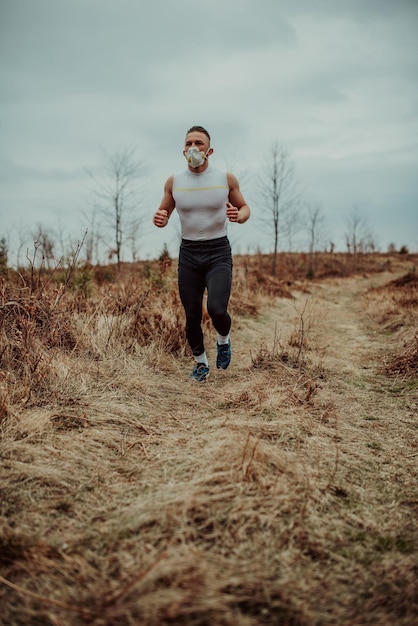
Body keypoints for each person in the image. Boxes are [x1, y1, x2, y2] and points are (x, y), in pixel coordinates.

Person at [153, 125, 250, 381]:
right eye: (189, 143)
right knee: (192, 315)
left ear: (210, 150)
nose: (193, 147)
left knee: (217, 309)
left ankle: (223, 340)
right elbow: (163, 213)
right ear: (183, 150)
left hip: (217, 251)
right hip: (189, 254)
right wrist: (160, 219)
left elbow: (245, 208)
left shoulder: (225, 179)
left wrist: (238, 216)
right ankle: (201, 364)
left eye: (199, 143)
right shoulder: (174, 182)